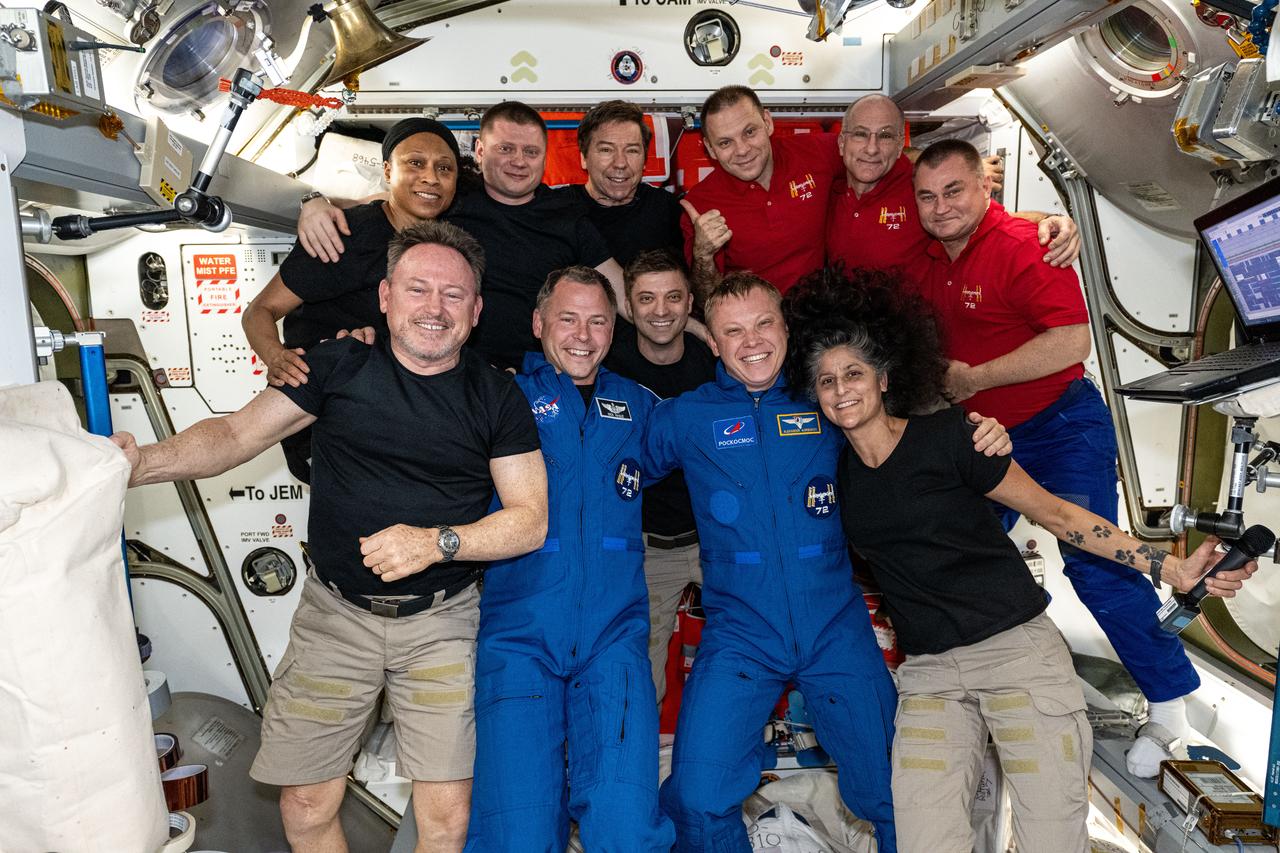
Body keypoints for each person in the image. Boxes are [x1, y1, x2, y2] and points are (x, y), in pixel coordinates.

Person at [783, 267, 1259, 853]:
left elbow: (1060, 515)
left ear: (883, 378)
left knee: (1051, 841)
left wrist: (1171, 568)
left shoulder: (956, 437)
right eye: (826, 381)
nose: (841, 390)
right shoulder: (837, 474)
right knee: (923, 838)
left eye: (853, 373)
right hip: (931, 677)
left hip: (1017, 658)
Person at [112, 220, 548, 853]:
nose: (434, 307)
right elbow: (236, 435)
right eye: (417, 288)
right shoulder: (337, 363)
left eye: (454, 295)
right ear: (385, 296)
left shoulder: (496, 396)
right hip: (336, 616)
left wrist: (437, 543)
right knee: (308, 802)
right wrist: (139, 462)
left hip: (441, 624)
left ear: (476, 310)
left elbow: (529, 518)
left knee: (447, 817)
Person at [645, 272, 1011, 853]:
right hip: (740, 633)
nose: (752, 341)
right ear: (711, 343)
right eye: (732, 332)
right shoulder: (685, 418)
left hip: (833, 626)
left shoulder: (828, 398)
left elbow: (914, 439)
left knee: (896, 792)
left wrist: (983, 432)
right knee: (696, 794)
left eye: (764, 323)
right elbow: (607, 461)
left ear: (786, 328)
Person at [909, 137, 1203, 777]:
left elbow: (1072, 340)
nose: (941, 208)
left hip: (1060, 424)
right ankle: (984, 688)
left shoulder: (1022, 243)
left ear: (986, 187)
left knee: (1096, 563)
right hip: (984, 434)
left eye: (954, 191)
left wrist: (975, 377)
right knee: (955, 551)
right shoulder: (930, 256)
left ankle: (1172, 709)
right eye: (927, 197)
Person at [465, 267, 673, 852]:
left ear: (613, 332)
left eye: (598, 321)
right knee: (519, 835)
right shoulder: (500, 398)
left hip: (613, 642)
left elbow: (708, 441)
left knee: (627, 824)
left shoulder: (638, 406)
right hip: (519, 640)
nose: (583, 335)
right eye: (568, 319)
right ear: (538, 324)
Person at [295, 101, 627, 371]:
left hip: (533, 377)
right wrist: (315, 203)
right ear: (480, 150)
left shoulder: (568, 217)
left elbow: (622, 295)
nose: (518, 162)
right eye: (506, 148)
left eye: (530, 152)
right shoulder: (452, 197)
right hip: (450, 371)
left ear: (545, 155)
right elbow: (382, 205)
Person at [242, 117, 462, 481]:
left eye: (444, 168)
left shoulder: (443, 245)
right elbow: (259, 311)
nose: (431, 178)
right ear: (388, 171)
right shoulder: (344, 234)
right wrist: (276, 357)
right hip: (325, 416)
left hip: (392, 418)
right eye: (415, 163)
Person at [603, 250, 717, 702]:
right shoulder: (606, 362)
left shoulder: (716, 363)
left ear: (690, 303)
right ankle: (640, 765)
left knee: (749, 647)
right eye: (646, 299)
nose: (661, 310)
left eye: (673, 297)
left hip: (715, 539)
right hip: (648, 545)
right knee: (639, 668)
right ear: (628, 307)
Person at [826, 93, 1080, 279]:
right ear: (841, 142)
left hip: (903, 339)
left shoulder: (920, 188)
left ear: (898, 144)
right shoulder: (827, 187)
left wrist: (1050, 219)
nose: (871, 148)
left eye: (885, 136)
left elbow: (980, 219)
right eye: (860, 134)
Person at [679, 86, 843, 298]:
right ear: (710, 149)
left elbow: (874, 157)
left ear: (767, 122)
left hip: (819, 314)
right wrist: (703, 255)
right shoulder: (699, 205)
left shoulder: (818, 152)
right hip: (753, 323)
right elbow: (706, 298)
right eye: (725, 142)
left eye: (749, 132)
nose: (742, 150)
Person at [562, 99, 684, 265]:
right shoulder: (558, 209)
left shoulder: (667, 209)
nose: (620, 163)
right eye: (606, 150)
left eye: (632, 150)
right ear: (584, 157)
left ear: (645, 160)